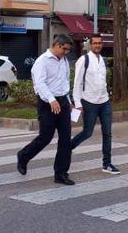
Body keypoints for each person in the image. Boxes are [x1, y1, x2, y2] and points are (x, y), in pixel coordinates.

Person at [17, 34, 76, 185]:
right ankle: (24, 156)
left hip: (62, 102)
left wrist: (68, 101)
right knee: (45, 137)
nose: (66, 53)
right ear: (56, 45)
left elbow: (64, 82)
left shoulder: (64, 61)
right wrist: (52, 100)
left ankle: (61, 174)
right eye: (64, 49)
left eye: (68, 50)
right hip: (46, 103)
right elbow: (40, 84)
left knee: (65, 140)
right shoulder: (42, 61)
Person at [70, 34, 120, 174]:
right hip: (89, 102)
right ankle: (67, 148)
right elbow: (77, 83)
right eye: (95, 43)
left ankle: (107, 164)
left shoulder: (103, 60)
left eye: (99, 43)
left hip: (104, 102)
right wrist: (78, 103)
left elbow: (103, 81)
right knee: (87, 132)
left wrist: (107, 95)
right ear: (90, 45)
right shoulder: (83, 60)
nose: (97, 45)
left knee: (107, 133)